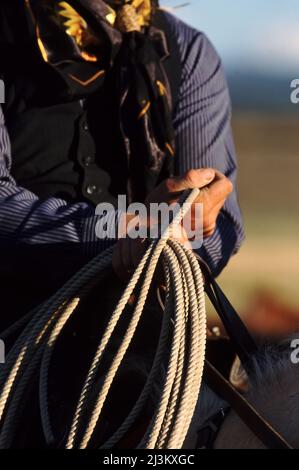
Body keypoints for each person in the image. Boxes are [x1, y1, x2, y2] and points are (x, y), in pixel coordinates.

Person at [0, 0, 244, 327]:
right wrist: (115, 231)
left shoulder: (188, 52)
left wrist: (178, 235)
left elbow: (222, 225)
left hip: (146, 326)